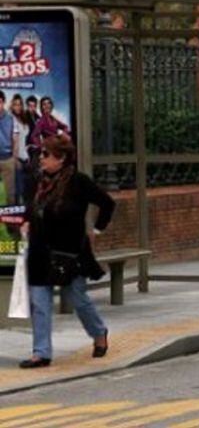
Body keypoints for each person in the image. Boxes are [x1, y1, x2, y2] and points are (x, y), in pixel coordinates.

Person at [18, 135, 114, 369]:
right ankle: (41, 353)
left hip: (69, 253)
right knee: (39, 303)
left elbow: (107, 203)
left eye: (46, 154)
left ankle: (99, 332)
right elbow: (31, 209)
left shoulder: (78, 182)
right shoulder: (36, 181)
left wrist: (96, 229)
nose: (41, 158)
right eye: (40, 154)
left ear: (61, 158)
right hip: (40, 251)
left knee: (78, 299)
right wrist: (26, 222)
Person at [10, 94, 32, 204]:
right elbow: (12, 141)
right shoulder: (11, 119)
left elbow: (23, 139)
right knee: (18, 191)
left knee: (27, 191)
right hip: (17, 159)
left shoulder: (23, 119)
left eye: (19, 104)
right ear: (12, 106)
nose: (18, 107)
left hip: (25, 159)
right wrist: (15, 159)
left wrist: (26, 151)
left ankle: (26, 213)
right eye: (15, 104)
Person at [0, 91, 15, 206]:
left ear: (3, 102)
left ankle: (12, 216)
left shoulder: (10, 118)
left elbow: (14, 138)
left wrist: (13, 157)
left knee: (10, 193)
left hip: (7, 158)